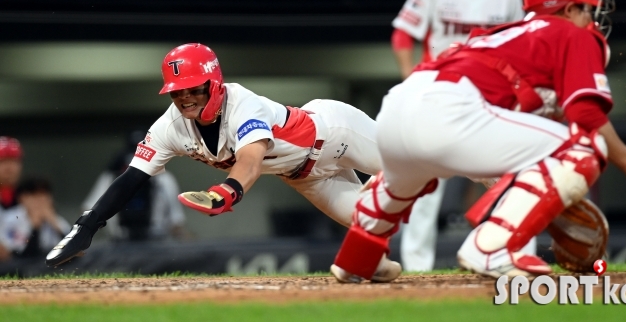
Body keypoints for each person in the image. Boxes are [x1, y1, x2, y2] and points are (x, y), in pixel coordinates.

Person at [330, 0, 626, 282]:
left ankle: (359, 255)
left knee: (405, 178)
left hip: (400, 106)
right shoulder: (573, 34)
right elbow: (586, 116)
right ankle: (491, 247)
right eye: (587, 9)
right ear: (570, 8)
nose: (593, 19)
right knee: (583, 148)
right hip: (451, 112)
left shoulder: (503, 34)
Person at [46, 43, 401, 282]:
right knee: (373, 226)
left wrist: (226, 192)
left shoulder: (242, 103)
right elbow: (132, 178)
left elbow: (250, 161)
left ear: (214, 84)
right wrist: (88, 225)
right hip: (306, 177)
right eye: (177, 90)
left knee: (410, 169)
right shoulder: (170, 125)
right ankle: (375, 262)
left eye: (194, 88)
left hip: (337, 134)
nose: (185, 97)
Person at [391, 0, 524, 272]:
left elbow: (519, 43)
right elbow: (404, 32)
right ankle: (417, 267)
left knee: (503, 177)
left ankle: (497, 253)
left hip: (488, 95)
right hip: (439, 90)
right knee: (426, 181)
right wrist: (409, 77)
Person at [82, 130, 189, 242]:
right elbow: (89, 211)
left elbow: (176, 222)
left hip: (156, 241)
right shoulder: (111, 177)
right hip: (120, 241)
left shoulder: (163, 179)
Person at [0, 178, 71, 260]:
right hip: (19, 265)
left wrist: (56, 226)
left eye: (44, 194)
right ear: (22, 198)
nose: (40, 200)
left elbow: (73, 251)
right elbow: (25, 256)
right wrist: (35, 227)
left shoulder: (55, 219)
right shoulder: (11, 219)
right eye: (34, 195)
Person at [0, 137, 23, 262]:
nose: (9, 168)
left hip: (24, 259)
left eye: (14, 161)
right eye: (3, 161)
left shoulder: (30, 196)